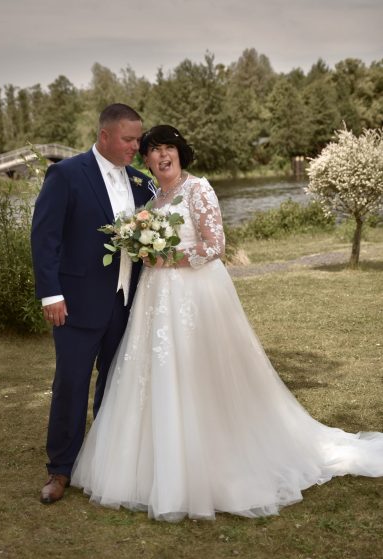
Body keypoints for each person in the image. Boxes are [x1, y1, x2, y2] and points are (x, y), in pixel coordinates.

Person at [70, 125, 383, 520]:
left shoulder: (198, 188)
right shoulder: (153, 196)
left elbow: (215, 245)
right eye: (153, 150)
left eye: (168, 148)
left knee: (202, 373)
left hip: (194, 295)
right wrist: (144, 249)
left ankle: (212, 460)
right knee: (153, 374)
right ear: (146, 160)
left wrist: (169, 258)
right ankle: (152, 465)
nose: (161, 155)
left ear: (180, 153)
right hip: (154, 297)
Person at [31, 104, 153, 504]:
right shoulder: (66, 175)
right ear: (104, 136)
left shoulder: (138, 182)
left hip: (126, 302)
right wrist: (51, 293)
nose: (136, 146)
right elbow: (45, 237)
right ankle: (60, 469)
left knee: (115, 383)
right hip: (76, 303)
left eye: (138, 139)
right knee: (71, 384)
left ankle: (103, 462)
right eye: (129, 140)